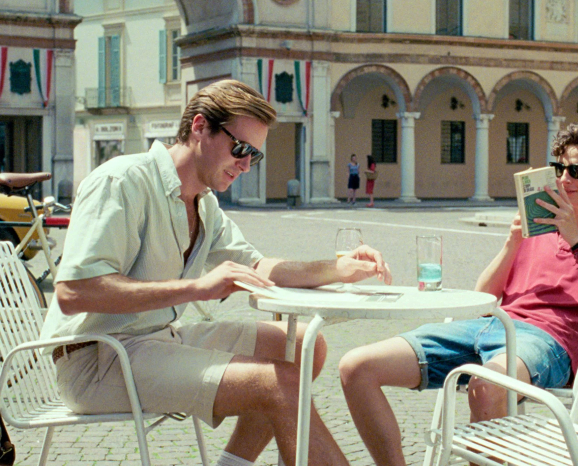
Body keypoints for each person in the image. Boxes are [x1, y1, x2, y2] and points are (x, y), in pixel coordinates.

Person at [39, 79, 392, 466]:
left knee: (305, 343)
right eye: (240, 148)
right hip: (97, 358)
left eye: (254, 155)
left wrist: (337, 268)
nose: (246, 165)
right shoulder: (122, 181)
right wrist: (196, 287)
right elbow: (74, 293)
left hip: (156, 339)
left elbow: (258, 267)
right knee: (281, 384)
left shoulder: (203, 204)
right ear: (200, 127)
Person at [339, 124, 578, 466]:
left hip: (548, 341)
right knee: (357, 367)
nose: (564, 179)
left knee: (486, 387)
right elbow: (482, 297)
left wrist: (576, 239)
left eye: (576, 171)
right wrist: (512, 243)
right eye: (559, 168)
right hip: (489, 325)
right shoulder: (539, 227)